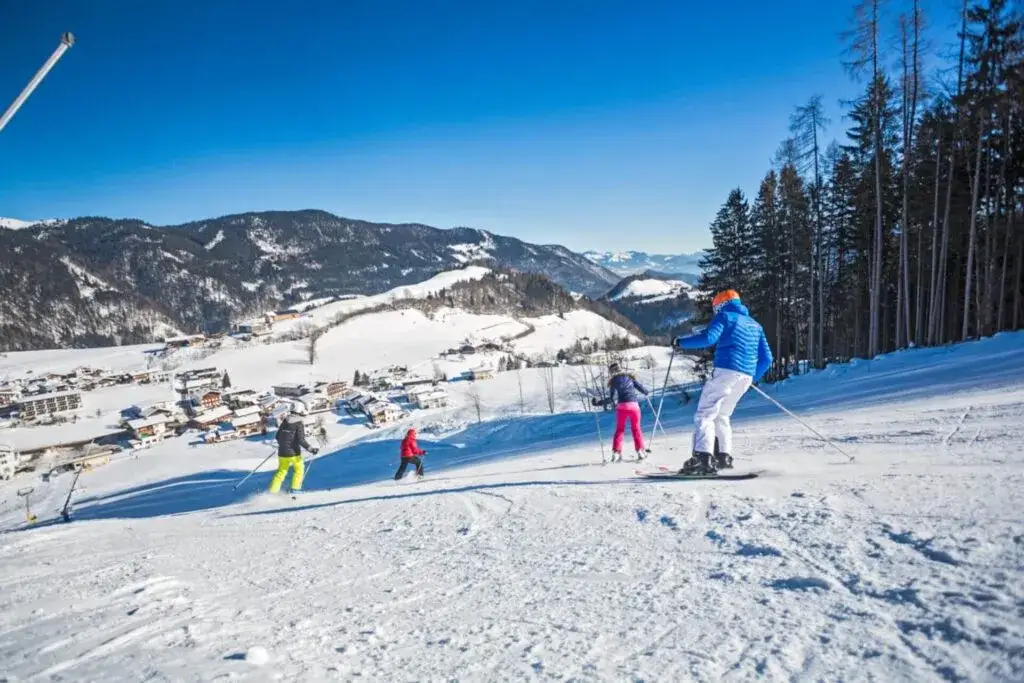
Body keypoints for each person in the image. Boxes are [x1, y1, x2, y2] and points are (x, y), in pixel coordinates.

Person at [672, 289, 772, 474]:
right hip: (746, 376)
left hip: (726, 370)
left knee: (705, 414)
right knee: (722, 415)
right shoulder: (756, 325)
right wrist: (752, 378)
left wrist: (680, 343)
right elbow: (767, 359)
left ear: (720, 305)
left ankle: (702, 459)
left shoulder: (725, 317)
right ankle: (723, 458)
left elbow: (708, 338)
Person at [269, 402, 318, 494]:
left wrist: (283, 445)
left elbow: (278, 436)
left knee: (281, 472)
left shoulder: (285, 421)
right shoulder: (298, 423)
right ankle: (295, 489)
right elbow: (301, 440)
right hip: (293, 453)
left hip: (282, 452)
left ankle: (273, 492)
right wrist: (311, 449)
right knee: (299, 469)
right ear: (300, 412)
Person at [607, 361, 650, 462]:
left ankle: (616, 453)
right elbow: (639, 387)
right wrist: (646, 392)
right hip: (633, 406)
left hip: (621, 407)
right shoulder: (630, 377)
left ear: (612, 372)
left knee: (620, 430)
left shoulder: (613, 381)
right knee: (636, 429)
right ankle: (640, 451)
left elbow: (611, 398)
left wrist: (599, 402)